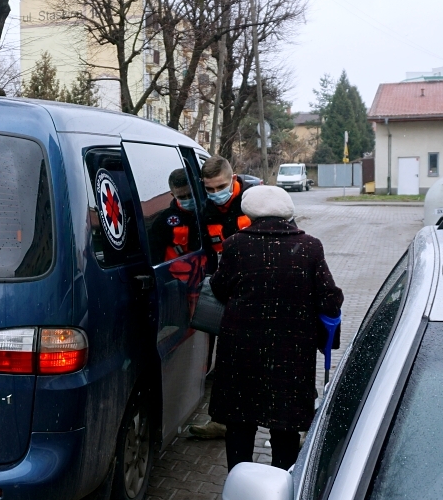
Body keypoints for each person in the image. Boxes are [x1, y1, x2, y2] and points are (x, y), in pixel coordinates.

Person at [207, 185, 343, 471]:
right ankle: (282, 486)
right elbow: (330, 298)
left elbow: (219, 287)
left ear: (250, 213)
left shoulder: (235, 245)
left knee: (240, 423)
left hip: (241, 351)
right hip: (291, 352)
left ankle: (239, 487)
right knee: (286, 424)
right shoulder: (310, 246)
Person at [189, 155, 260, 439]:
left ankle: (295, 426)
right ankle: (221, 421)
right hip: (227, 291)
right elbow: (206, 250)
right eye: (209, 188)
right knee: (227, 363)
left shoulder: (254, 202)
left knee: (272, 360)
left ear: (233, 179)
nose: (215, 193)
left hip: (258, 292)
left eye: (220, 186)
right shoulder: (206, 210)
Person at [146, 168, 200, 265]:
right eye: (182, 197)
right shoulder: (162, 222)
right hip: (180, 275)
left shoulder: (208, 210)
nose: (188, 199)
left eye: (190, 194)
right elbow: (155, 258)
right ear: (172, 195)